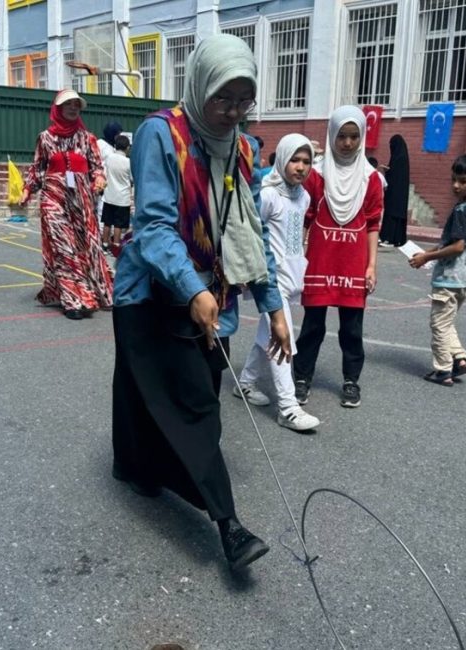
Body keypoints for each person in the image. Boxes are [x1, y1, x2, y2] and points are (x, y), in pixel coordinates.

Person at [109, 34, 291, 570]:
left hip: (214, 293)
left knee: (195, 397)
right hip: (152, 293)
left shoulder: (242, 146)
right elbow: (154, 227)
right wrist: (191, 287)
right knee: (167, 396)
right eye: (223, 99)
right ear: (200, 86)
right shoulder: (159, 135)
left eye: (243, 101)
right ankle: (228, 526)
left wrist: (275, 306)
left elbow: (251, 232)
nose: (233, 112)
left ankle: (148, 472)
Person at [293, 106, 383, 409]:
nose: (347, 143)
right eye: (341, 136)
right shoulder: (316, 174)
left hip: (352, 264)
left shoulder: (370, 179)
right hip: (320, 261)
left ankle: (351, 381)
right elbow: (304, 218)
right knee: (312, 327)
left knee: (352, 329)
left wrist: (371, 266)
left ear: (362, 137)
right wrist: (297, 258)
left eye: (354, 136)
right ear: (332, 136)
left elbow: (372, 224)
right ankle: (301, 378)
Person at [234, 134, 321, 433]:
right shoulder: (268, 195)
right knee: (283, 338)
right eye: (295, 160)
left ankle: (245, 383)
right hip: (272, 280)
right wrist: (251, 275)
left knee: (269, 332)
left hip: (293, 276)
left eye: (306, 161)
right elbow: (252, 235)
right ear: (282, 159)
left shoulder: (305, 196)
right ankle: (288, 407)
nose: (300, 167)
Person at [21, 90, 113, 320]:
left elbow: (96, 167)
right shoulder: (45, 138)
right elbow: (37, 167)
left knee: (84, 247)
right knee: (63, 247)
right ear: (58, 108)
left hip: (81, 201)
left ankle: (91, 290)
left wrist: (99, 179)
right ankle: (72, 300)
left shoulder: (87, 138)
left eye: (76, 105)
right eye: (68, 104)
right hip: (53, 197)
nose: (73, 108)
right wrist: (26, 190)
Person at [409, 154, 466, 384]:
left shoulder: (461, 210)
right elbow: (449, 243)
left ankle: (443, 369)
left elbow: (457, 246)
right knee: (447, 321)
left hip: (449, 278)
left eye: (463, 181)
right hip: (464, 279)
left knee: (439, 324)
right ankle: (459, 359)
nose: (455, 185)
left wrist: (428, 256)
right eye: (453, 179)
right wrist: (426, 255)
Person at [101, 134, 133, 253]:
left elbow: (104, 172)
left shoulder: (109, 158)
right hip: (122, 198)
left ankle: (104, 244)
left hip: (109, 196)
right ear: (127, 148)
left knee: (107, 222)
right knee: (118, 224)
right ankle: (116, 245)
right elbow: (132, 179)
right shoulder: (128, 162)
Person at [378, 134, 410, 249]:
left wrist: (388, 171)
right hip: (398, 194)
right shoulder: (401, 157)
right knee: (395, 214)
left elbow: (395, 176)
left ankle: (389, 238)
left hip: (395, 195)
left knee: (392, 215)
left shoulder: (399, 158)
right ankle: (396, 239)